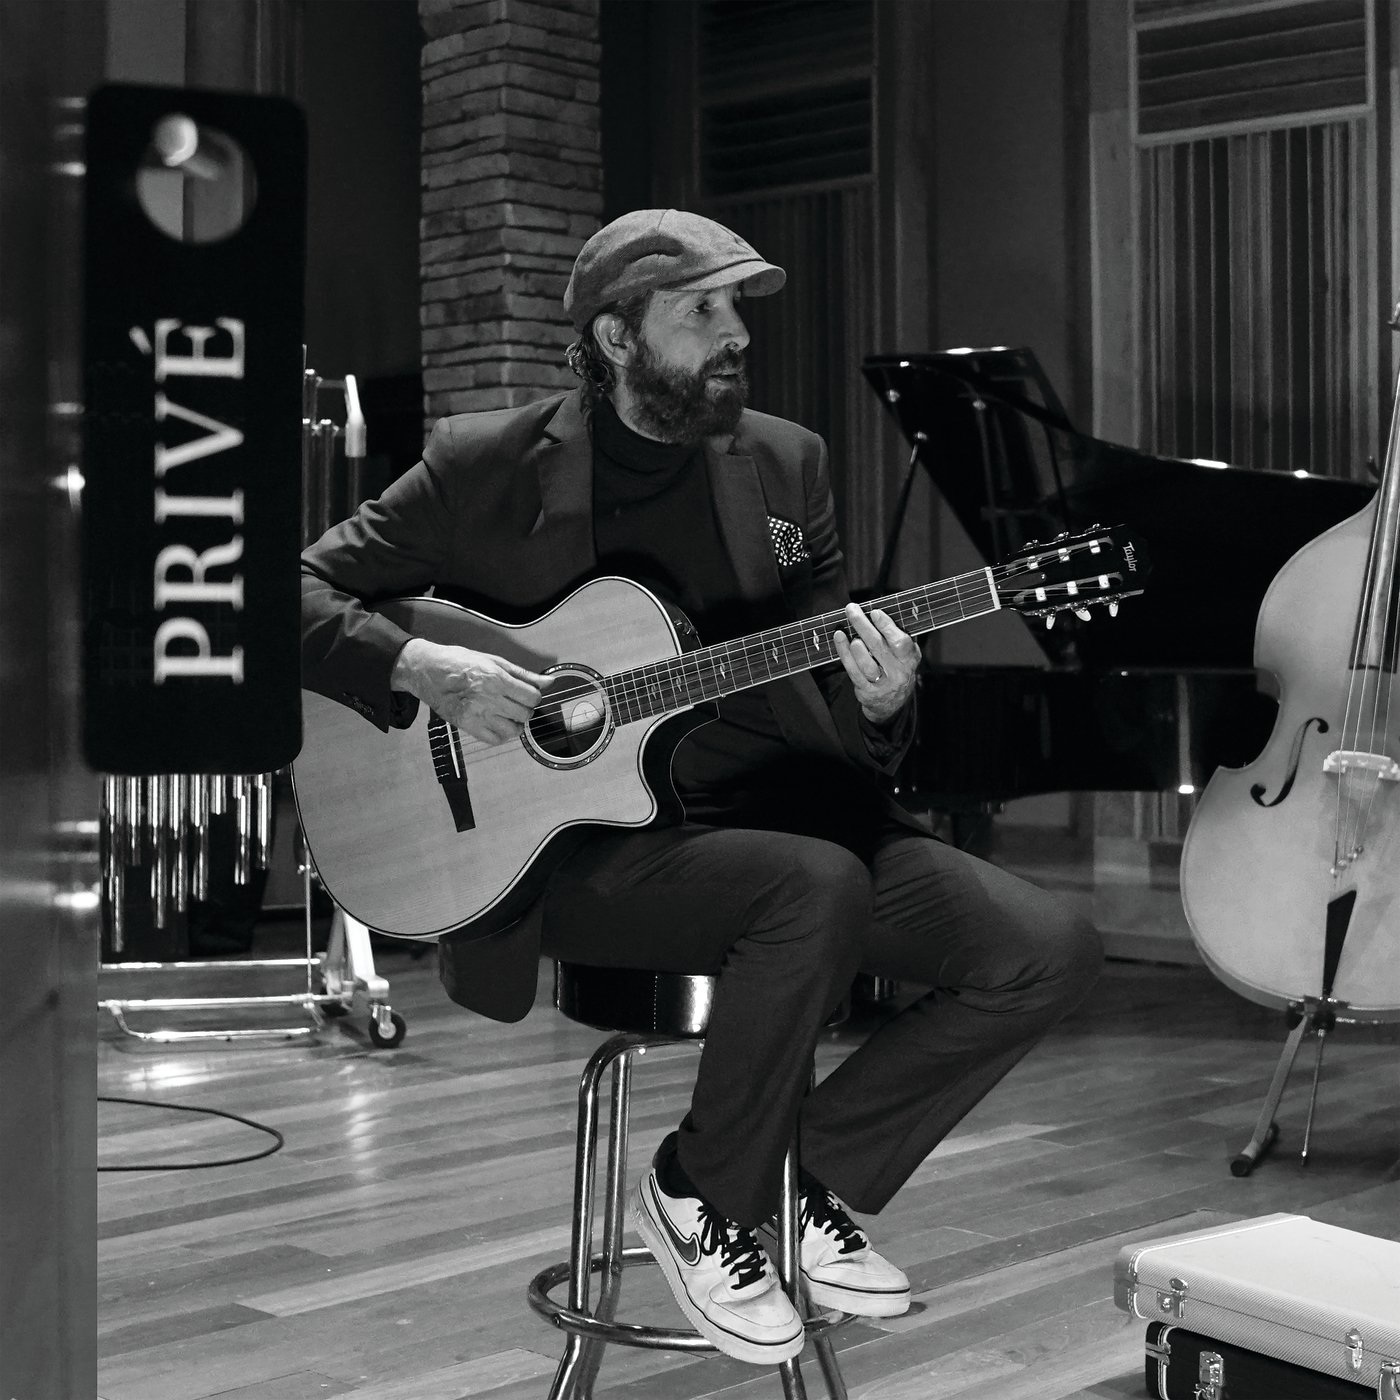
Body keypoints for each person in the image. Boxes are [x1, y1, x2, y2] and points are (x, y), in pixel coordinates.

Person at [301, 208, 1103, 1366]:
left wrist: (883, 701)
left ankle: (787, 1174)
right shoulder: (487, 463)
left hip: (781, 818)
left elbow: (826, 686)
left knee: (1043, 947)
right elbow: (284, 591)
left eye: (738, 308)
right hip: (573, 854)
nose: (736, 333)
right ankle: (700, 1195)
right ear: (615, 337)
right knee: (809, 885)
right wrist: (423, 664)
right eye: (702, 310)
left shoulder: (783, 463)